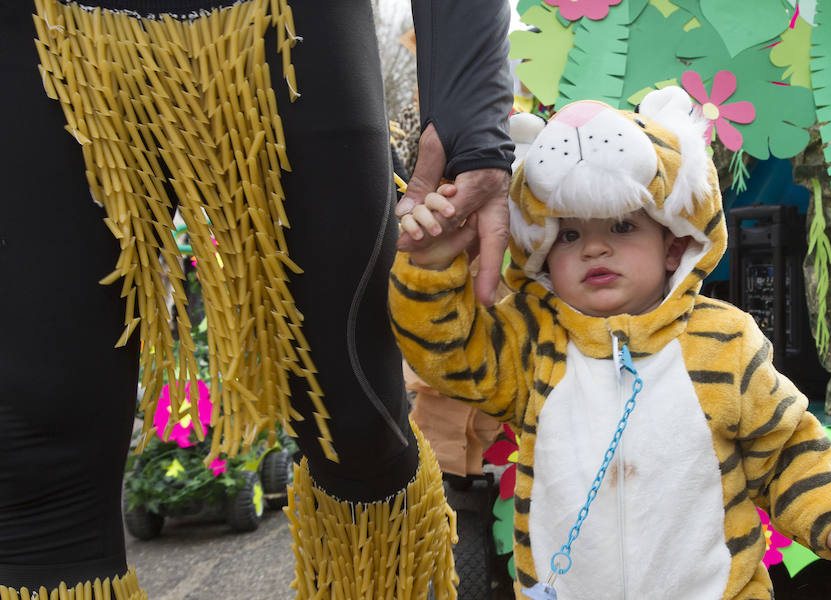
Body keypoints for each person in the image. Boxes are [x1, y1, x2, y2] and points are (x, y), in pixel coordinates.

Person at [0, 0, 513, 597]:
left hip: (289, 25)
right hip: (44, 33)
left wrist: (472, 123)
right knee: (40, 450)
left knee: (354, 423)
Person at [389, 87, 831, 599]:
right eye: (570, 235)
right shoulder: (530, 340)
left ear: (675, 245)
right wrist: (432, 267)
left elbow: (786, 449)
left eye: (622, 226)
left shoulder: (724, 342)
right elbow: (448, 355)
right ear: (541, 252)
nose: (595, 247)